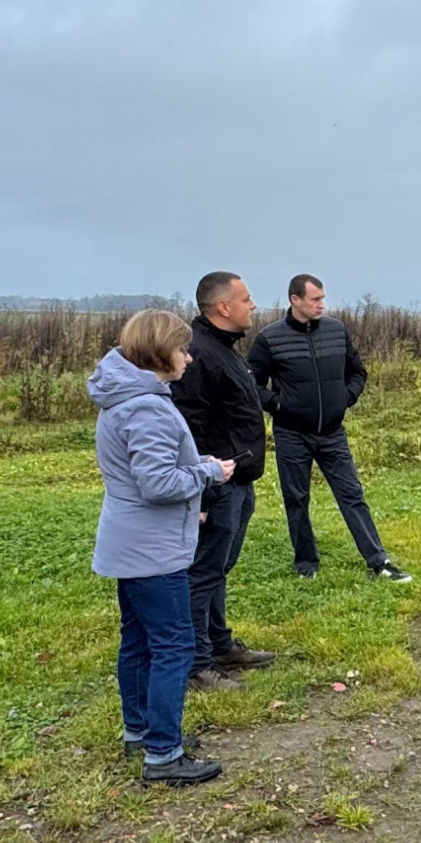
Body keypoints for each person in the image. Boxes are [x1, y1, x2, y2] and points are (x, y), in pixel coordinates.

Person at [88, 309, 231, 786]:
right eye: (182, 349)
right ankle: (164, 754)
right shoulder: (146, 406)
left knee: (139, 640)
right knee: (173, 646)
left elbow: (148, 468)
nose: (189, 358)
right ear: (158, 353)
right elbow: (156, 483)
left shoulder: (125, 397)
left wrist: (195, 460)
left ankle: (141, 731)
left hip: (129, 542)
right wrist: (209, 473)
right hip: (153, 548)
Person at [247, 274, 411, 582]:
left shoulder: (337, 331)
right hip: (291, 434)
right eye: (315, 299)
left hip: (333, 433)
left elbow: (357, 371)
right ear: (295, 300)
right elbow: (251, 384)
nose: (322, 304)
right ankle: (306, 563)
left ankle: (379, 561)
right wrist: (279, 405)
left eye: (323, 298)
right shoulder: (270, 338)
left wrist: (346, 398)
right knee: (297, 498)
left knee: (352, 495)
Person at [170, 272, 276, 692]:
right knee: (203, 572)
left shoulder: (226, 350)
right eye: (247, 299)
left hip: (238, 479)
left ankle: (219, 642)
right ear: (223, 307)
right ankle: (198, 665)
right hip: (216, 484)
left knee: (218, 569)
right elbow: (190, 428)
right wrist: (202, 489)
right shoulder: (199, 354)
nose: (253, 306)